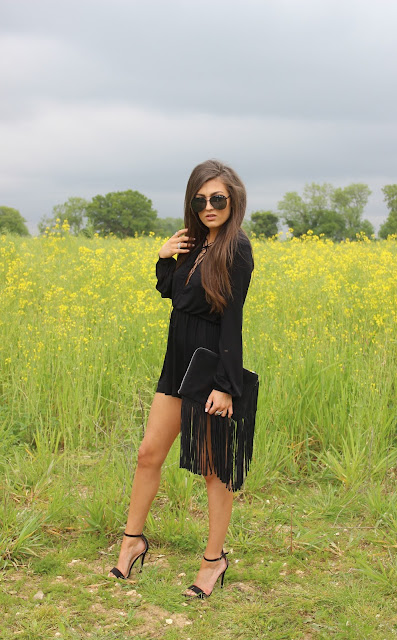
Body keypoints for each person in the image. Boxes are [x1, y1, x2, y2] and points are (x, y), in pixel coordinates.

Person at [108, 159, 255, 599]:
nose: (209, 206)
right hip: (176, 365)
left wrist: (226, 385)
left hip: (210, 367)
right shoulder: (194, 242)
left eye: (217, 199)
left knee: (213, 469)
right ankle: (132, 542)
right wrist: (164, 257)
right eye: (200, 200)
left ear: (233, 200)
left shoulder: (236, 247)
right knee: (148, 453)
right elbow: (174, 293)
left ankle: (213, 561)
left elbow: (232, 319)